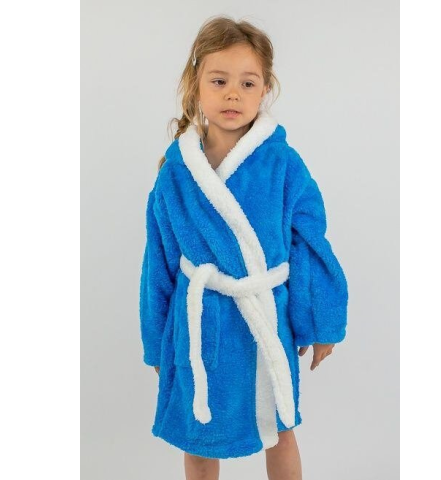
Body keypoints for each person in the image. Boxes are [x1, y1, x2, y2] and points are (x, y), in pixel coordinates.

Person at [139, 15, 349, 480]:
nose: (232, 94)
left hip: (264, 318)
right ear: (195, 85)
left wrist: (321, 322)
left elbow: (308, 243)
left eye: (247, 83)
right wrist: (157, 343)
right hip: (199, 326)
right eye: (219, 81)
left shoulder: (283, 163)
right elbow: (159, 263)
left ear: (264, 90)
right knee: (197, 435)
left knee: (280, 429)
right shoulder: (176, 172)